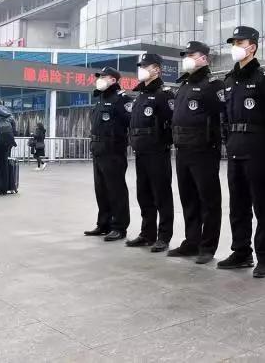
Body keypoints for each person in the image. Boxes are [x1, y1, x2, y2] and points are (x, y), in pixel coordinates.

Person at [218, 26, 265, 278]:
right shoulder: (229, 80)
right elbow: (224, 115)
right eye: (233, 42)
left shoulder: (263, 78)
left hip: (255, 149)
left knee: (261, 205)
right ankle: (241, 251)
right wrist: (227, 138)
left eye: (240, 41)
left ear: (253, 47)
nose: (235, 46)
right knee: (238, 205)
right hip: (235, 149)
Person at [168, 41, 225, 265]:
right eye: (186, 55)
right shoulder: (183, 85)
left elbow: (222, 115)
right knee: (188, 199)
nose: (188, 58)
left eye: (192, 55)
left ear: (205, 58)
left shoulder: (213, 84)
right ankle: (192, 241)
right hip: (182, 150)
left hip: (204, 150)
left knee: (208, 201)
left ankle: (208, 246)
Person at [127, 53, 175, 253]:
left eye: (145, 66)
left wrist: (164, 142)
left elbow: (172, 122)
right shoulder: (140, 95)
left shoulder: (165, 94)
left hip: (157, 151)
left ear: (156, 69)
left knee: (161, 195)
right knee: (143, 194)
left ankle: (164, 236)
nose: (142, 69)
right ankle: (147, 233)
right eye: (141, 66)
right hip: (141, 152)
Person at [83, 67, 132, 242]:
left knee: (116, 189)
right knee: (101, 189)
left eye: (104, 77)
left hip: (113, 150)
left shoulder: (122, 99)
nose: (100, 79)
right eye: (99, 77)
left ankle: (119, 226)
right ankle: (103, 223)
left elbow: (131, 122)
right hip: (98, 149)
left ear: (113, 80)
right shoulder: (100, 99)